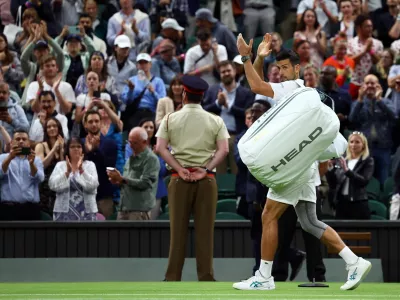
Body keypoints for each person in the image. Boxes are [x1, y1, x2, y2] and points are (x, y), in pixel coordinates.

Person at [234, 33, 371, 291]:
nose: (282, 73)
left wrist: (245, 58)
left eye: (286, 68)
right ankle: (354, 262)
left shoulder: (293, 87)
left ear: (297, 69)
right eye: (279, 68)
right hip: (304, 166)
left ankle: (263, 277)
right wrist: (261, 58)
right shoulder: (292, 94)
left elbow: (256, 87)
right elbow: (263, 83)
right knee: (310, 222)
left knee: (269, 214)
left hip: (293, 167)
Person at [156, 75, 229, 281]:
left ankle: (172, 277)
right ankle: (206, 276)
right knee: (205, 232)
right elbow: (223, 150)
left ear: (185, 94)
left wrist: (179, 169)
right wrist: (206, 169)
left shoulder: (170, 118)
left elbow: (160, 147)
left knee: (177, 232)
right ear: (202, 96)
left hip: (179, 180)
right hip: (206, 179)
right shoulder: (216, 120)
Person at [108, 127, 160, 220]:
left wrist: (123, 179)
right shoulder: (130, 159)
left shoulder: (151, 159)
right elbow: (127, 182)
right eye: (129, 142)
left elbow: (145, 183)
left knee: (137, 235)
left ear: (145, 142)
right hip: (123, 208)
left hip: (139, 210)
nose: (131, 146)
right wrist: (118, 181)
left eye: (135, 143)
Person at [326, 132, 374, 219]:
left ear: (363, 145)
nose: (353, 144)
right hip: (341, 203)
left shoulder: (368, 161)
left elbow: (364, 181)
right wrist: (330, 170)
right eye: (351, 142)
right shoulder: (342, 159)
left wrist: (347, 171)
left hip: (358, 202)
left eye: (357, 142)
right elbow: (333, 184)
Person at [49, 137, 99, 221]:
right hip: (63, 213)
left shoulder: (90, 165)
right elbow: (52, 185)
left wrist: (82, 171)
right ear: (67, 149)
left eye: (79, 146)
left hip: (86, 212)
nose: (76, 149)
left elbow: (93, 185)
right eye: (72, 147)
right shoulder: (60, 165)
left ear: (82, 149)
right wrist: (67, 173)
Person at [0, 129, 44, 220]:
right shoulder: (2, 158)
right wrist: (9, 158)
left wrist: (31, 164)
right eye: (18, 139)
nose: (21, 141)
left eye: (24, 139)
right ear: (12, 142)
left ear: (29, 143)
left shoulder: (36, 160)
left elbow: (40, 179)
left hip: (31, 209)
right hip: (8, 209)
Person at [35, 117, 65, 216]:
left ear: (59, 128)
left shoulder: (65, 145)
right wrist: (54, 148)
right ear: (45, 130)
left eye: (54, 126)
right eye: (48, 127)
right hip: (45, 188)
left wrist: (61, 150)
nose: (52, 128)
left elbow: (63, 168)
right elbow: (41, 166)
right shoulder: (40, 146)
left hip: (59, 186)